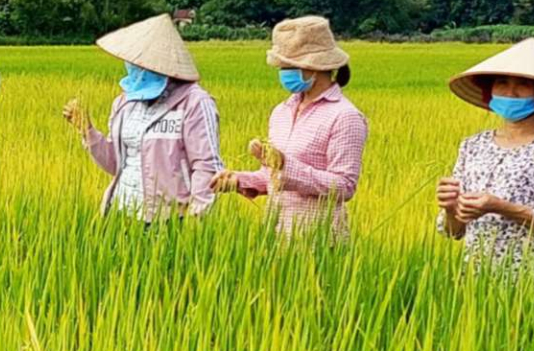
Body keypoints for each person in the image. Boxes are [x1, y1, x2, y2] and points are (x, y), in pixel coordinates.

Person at [436, 37, 534, 292]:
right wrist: (451, 208)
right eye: (502, 82)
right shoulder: (473, 145)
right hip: (472, 284)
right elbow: (453, 232)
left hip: (530, 285)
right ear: (489, 90)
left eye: (523, 84)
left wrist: (500, 207)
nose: (510, 92)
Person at [212, 15, 367, 235]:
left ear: (314, 66)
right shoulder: (281, 111)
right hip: (276, 234)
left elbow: (344, 186)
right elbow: (272, 177)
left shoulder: (345, 116)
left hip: (319, 239)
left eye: (288, 65)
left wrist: (285, 165)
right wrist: (239, 180)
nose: (283, 72)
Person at [63, 13, 222, 220]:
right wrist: (87, 130)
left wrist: (196, 219)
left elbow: (206, 166)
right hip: (121, 212)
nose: (133, 67)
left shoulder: (194, 103)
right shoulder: (124, 102)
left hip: (169, 218)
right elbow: (115, 163)